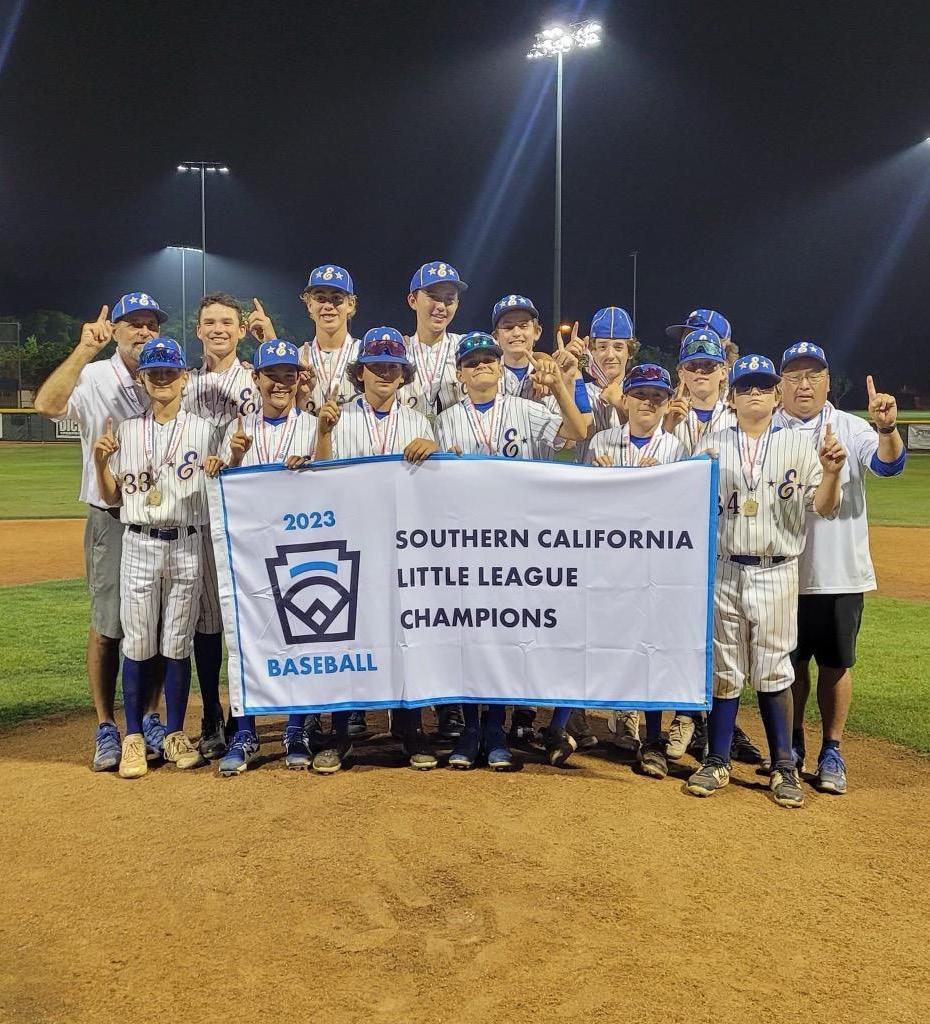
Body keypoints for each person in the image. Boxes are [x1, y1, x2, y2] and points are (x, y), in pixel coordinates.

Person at [688, 354, 846, 809]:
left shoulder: (799, 444)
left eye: (763, 386)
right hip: (725, 566)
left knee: (775, 667)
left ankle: (783, 766)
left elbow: (825, 507)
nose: (754, 393)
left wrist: (832, 472)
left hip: (777, 568)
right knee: (725, 667)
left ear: (777, 396)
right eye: (745, 387)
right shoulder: (711, 443)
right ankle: (716, 759)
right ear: (732, 398)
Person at [435, 332, 591, 770]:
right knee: (469, 635)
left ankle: (495, 728)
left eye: (489, 358)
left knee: (505, 635)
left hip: (517, 543)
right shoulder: (444, 420)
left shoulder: (526, 409)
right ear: (460, 374)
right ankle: (470, 728)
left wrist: (559, 386)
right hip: (466, 542)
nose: (482, 365)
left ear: (500, 366)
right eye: (472, 361)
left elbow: (578, 432)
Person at [34, 293, 169, 770]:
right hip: (110, 516)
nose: (144, 331)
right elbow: (47, 405)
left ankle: (150, 717)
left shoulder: (166, 376)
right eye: (133, 323)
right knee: (108, 626)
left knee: (154, 624)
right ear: (115, 332)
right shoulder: (93, 376)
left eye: (151, 324)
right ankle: (106, 726)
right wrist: (84, 350)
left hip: (158, 516)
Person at [775, 342, 906, 794]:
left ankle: (832, 750)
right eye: (794, 376)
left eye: (813, 375)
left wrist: (887, 428)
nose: (804, 384)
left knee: (835, 665)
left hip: (840, 572)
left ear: (828, 382)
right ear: (781, 384)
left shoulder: (850, 426)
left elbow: (889, 465)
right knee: (788, 666)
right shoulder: (768, 428)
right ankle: (791, 745)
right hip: (782, 571)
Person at [92, 339, 217, 779]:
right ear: (142, 379)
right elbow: (112, 497)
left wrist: (228, 460)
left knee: (177, 641)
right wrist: (100, 464)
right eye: (154, 373)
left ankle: (175, 733)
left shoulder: (205, 430)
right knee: (139, 641)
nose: (162, 379)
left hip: (187, 540)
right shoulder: (126, 431)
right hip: (140, 541)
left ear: (184, 378)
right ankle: (132, 737)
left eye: (170, 372)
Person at [207, 339, 321, 775]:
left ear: (299, 380)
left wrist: (310, 465)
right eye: (272, 375)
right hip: (249, 551)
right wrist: (231, 458)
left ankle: (296, 728)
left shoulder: (312, 427)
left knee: (300, 636)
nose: (281, 383)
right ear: (255, 379)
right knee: (247, 639)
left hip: (299, 547)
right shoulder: (235, 429)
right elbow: (222, 486)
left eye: (289, 375)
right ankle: (245, 731)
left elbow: (328, 484)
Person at [661, 326, 761, 766]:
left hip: (727, 542)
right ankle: (686, 717)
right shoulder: (669, 414)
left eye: (709, 365)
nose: (701, 372)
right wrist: (667, 428)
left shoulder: (740, 415)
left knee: (725, 643)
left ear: (724, 371)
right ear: (681, 372)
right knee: (681, 634)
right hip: (678, 544)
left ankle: (723, 725)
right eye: (693, 365)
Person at [588, 364, 686, 772]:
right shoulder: (601, 442)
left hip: (653, 565)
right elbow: (584, 504)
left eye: (657, 395)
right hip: (608, 563)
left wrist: (657, 486)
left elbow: (682, 510)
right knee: (600, 641)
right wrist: (601, 481)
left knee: (652, 648)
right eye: (641, 394)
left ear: (667, 403)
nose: (649, 401)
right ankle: (580, 722)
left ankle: (653, 739)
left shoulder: (676, 449)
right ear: (624, 399)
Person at [181, 292, 257, 759]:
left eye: (227, 322)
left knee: (246, 618)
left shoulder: (256, 378)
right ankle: (211, 710)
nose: (218, 329)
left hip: (246, 513)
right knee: (207, 621)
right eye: (210, 322)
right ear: (198, 330)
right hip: (198, 511)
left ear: (241, 329)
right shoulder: (184, 384)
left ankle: (243, 715)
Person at [398, 260, 469, 741]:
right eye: (433, 295)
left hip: (453, 492)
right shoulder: (390, 350)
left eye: (450, 298)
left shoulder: (469, 351)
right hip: (405, 488)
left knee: (452, 601)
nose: (441, 305)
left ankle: (452, 706)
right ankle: (398, 705)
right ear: (413, 300)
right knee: (408, 600)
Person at [296, 264, 361, 414]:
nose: (328, 306)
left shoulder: (365, 354)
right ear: (309, 304)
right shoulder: (297, 359)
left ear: (350, 304)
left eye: (336, 298)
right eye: (320, 298)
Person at [490, 294, 544, 400]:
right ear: (496, 337)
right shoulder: (486, 373)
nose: (516, 333)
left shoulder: (549, 370)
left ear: (537, 332)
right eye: (508, 327)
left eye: (523, 326)